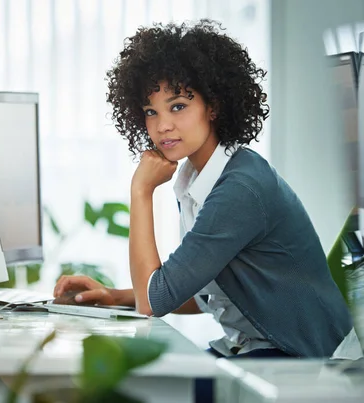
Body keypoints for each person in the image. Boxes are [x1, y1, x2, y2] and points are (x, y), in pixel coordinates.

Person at [53, 19, 363, 361]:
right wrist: (115, 296)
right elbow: (201, 291)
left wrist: (141, 191)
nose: (162, 126)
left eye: (178, 106)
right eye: (150, 112)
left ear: (212, 106)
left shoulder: (240, 188)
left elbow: (151, 302)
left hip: (309, 362)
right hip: (256, 350)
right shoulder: (197, 178)